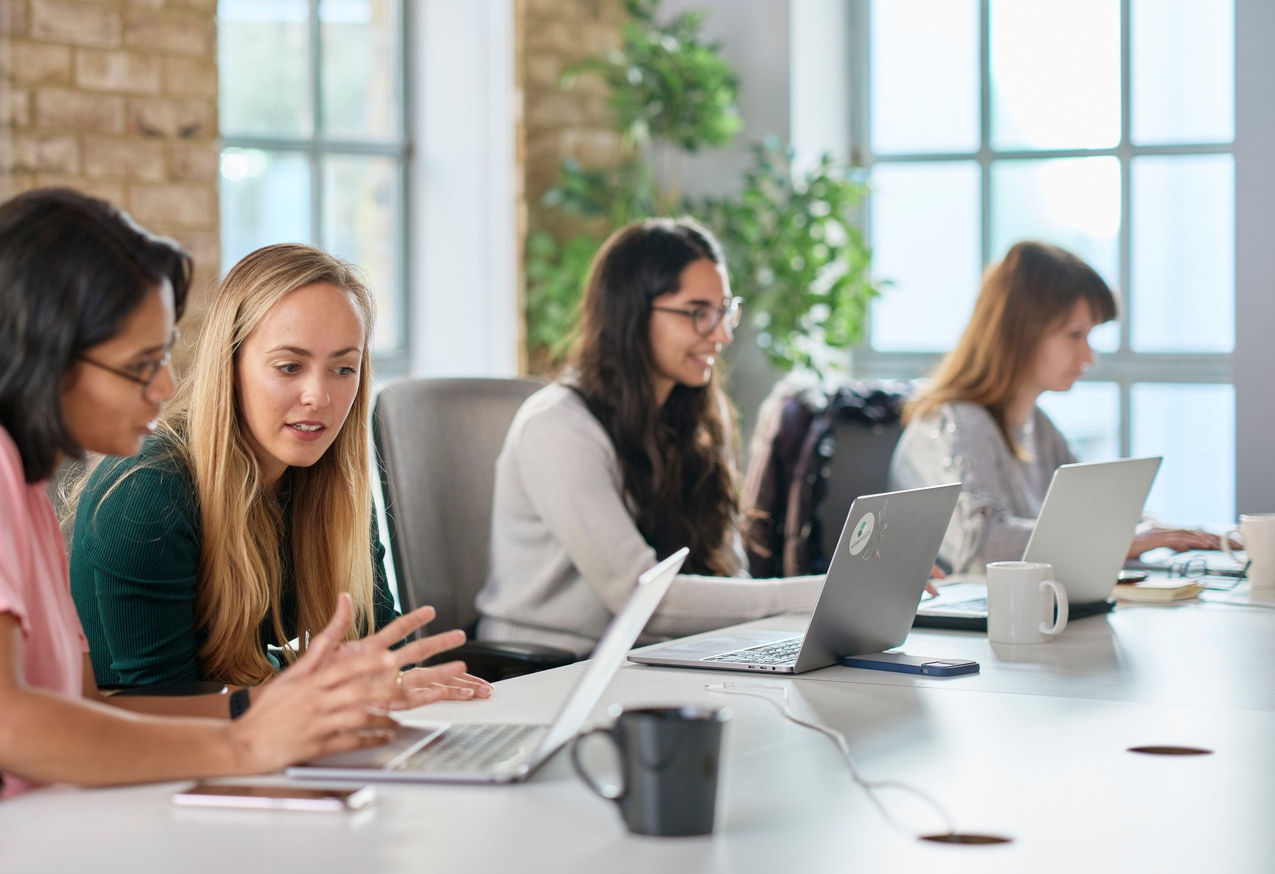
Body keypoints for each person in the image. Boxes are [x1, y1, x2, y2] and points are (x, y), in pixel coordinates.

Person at [0, 190, 463, 793]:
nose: (163, 388)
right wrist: (244, 746)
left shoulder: (14, 478)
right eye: (138, 366)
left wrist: (265, 708)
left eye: (162, 358)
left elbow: (87, 706)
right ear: (45, 355)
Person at [67, 243, 492, 702]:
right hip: (154, 761)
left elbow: (378, 648)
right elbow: (160, 709)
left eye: (343, 369)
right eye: (289, 367)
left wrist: (414, 687)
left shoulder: (332, 486)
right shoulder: (147, 489)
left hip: (261, 744)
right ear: (229, 367)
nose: (319, 396)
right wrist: (317, 697)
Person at [477, 218, 826, 657]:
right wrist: (822, 594)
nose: (722, 333)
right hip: (550, 669)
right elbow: (641, 599)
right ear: (632, 315)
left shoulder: (694, 416)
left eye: (724, 310)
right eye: (699, 313)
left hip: (658, 657)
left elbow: (727, 573)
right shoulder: (557, 427)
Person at [889, 240, 1219, 574]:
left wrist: (1175, 534)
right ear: (1018, 332)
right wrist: (1122, 539)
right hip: (960, 619)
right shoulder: (955, 421)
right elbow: (981, 546)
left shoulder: (1040, 426)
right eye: (1074, 334)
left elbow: (1093, 511)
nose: (1088, 357)